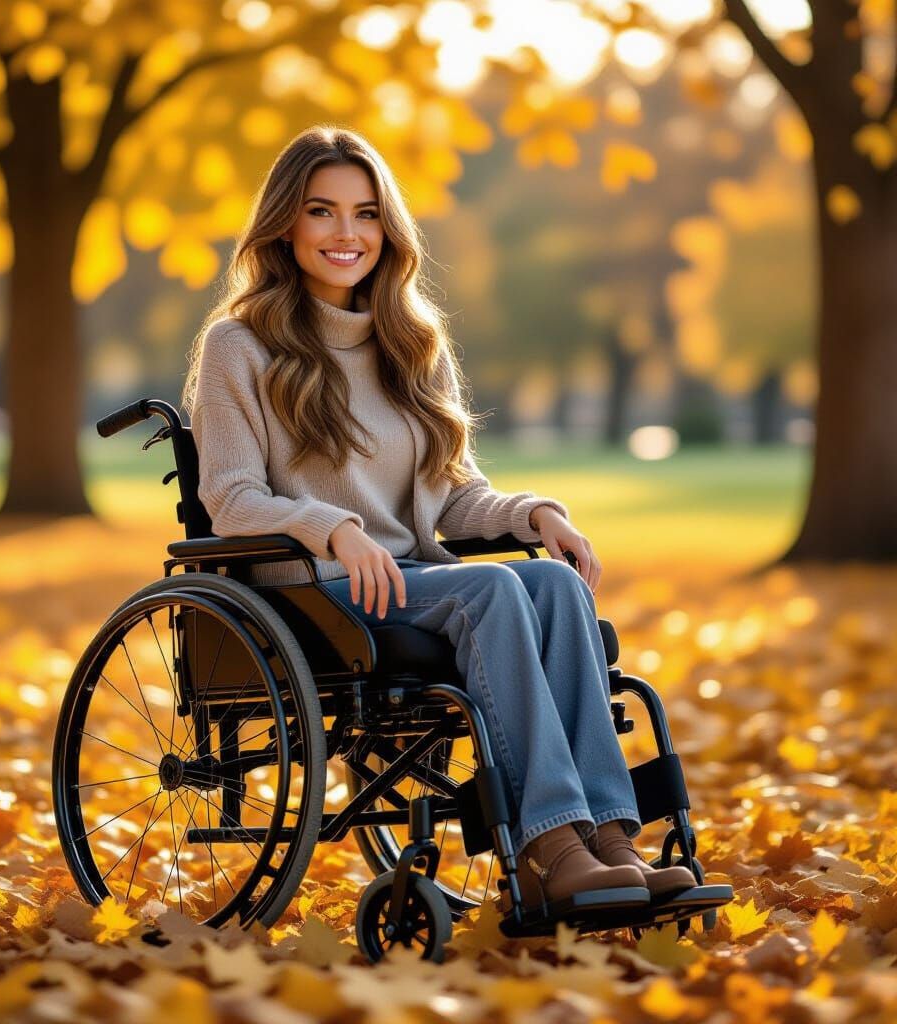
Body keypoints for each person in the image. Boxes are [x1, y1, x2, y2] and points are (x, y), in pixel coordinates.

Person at [182, 125, 696, 914]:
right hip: (309, 590)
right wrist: (333, 528)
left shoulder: (411, 343)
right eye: (322, 212)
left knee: (554, 587)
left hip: (409, 580)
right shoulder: (240, 345)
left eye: (366, 213)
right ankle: (549, 846)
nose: (347, 234)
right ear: (286, 224)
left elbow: (451, 496)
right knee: (488, 592)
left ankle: (611, 841)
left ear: (390, 229)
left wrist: (533, 515)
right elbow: (232, 496)